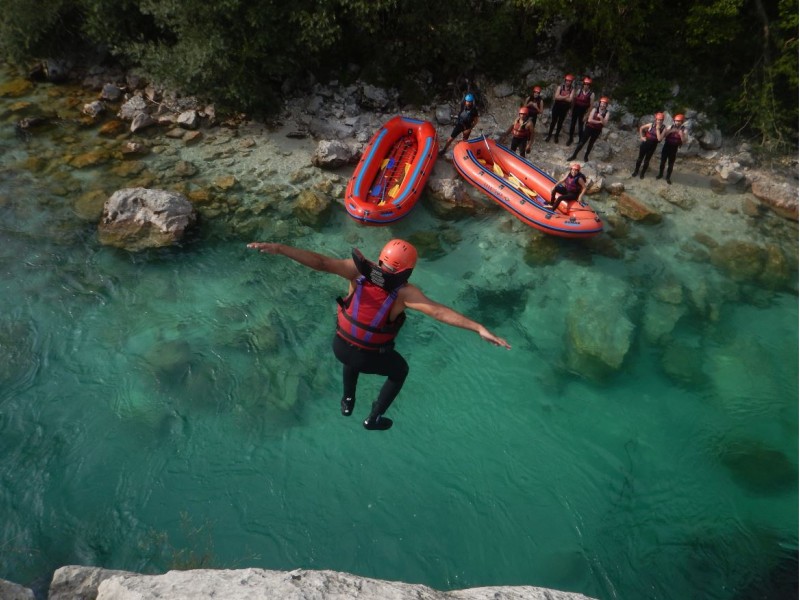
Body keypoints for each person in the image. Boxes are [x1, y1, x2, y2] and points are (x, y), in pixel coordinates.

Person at [246, 239, 511, 431]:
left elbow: (321, 262)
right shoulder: (406, 294)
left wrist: (280, 248)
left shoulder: (356, 271)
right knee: (399, 371)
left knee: (352, 358)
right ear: (408, 270)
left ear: (380, 258)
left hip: (339, 346)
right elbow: (439, 313)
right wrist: (478, 327)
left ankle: (347, 400)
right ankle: (373, 418)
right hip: (368, 357)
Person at [567, 96, 610, 162]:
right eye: (602, 103)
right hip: (589, 128)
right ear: (599, 103)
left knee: (591, 144)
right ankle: (574, 155)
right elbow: (590, 120)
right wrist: (600, 121)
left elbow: (605, 123)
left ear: (606, 105)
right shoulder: (595, 109)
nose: (602, 105)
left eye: (604, 104)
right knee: (582, 142)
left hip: (597, 130)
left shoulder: (607, 113)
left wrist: (601, 117)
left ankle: (586, 156)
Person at [632, 112, 666, 179]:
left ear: (663, 120)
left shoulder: (663, 128)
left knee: (647, 160)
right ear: (656, 119)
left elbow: (659, 139)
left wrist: (657, 129)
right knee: (639, 158)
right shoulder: (651, 124)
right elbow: (641, 128)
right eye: (658, 120)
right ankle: (636, 171)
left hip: (653, 145)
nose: (659, 121)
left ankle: (642, 173)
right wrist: (642, 137)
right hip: (645, 143)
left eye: (661, 120)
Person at [657, 114, 688, 184]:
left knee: (671, 164)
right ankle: (660, 174)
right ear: (674, 121)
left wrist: (681, 134)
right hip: (666, 146)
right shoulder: (670, 126)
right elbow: (664, 135)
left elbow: (684, 141)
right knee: (662, 162)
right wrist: (671, 131)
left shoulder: (684, 130)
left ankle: (668, 177)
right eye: (676, 121)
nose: (677, 122)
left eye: (679, 121)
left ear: (682, 122)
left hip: (674, 148)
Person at [544, 74, 575, 144]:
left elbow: (570, 100)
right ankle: (549, 135)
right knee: (553, 122)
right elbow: (556, 97)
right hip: (557, 106)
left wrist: (561, 96)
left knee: (560, 123)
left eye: (569, 81)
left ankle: (556, 136)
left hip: (564, 108)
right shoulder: (560, 87)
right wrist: (565, 97)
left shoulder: (572, 89)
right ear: (565, 81)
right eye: (567, 81)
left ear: (571, 82)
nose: (568, 82)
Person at [566, 77, 594, 146]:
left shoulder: (591, 94)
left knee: (580, 126)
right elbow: (574, 101)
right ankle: (570, 138)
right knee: (572, 125)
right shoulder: (579, 91)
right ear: (583, 84)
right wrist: (571, 110)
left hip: (583, 111)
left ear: (589, 85)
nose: (586, 86)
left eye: (587, 84)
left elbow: (591, 106)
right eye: (585, 84)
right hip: (576, 109)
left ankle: (580, 140)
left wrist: (586, 115)